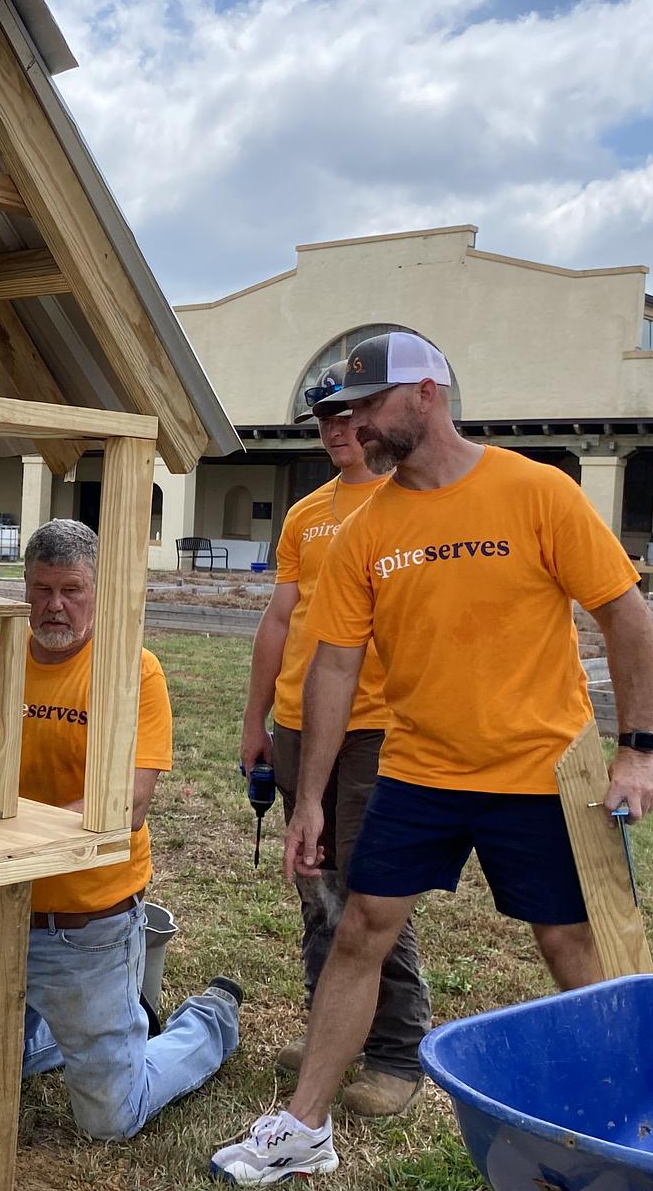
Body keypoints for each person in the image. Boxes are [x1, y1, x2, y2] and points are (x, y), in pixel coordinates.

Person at [212, 332, 653, 1183]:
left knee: (570, 941)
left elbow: (624, 614)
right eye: (345, 413)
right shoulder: (364, 530)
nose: (357, 427)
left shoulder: (538, 492)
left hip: (540, 771)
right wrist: (308, 800)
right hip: (419, 771)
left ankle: (627, 1123)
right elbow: (335, 668)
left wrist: (637, 750)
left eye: (369, 408)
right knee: (360, 931)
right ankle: (305, 1129)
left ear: (427, 394)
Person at [0, 518, 242, 1141]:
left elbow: (129, 802)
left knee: (109, 1121)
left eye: (71, 589)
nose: (54, 605)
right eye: (41, 589)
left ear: (99, 591)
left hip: (88, 927)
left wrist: (9, 843)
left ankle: (209, 1020)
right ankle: (80, 1032)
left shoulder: (133, 671)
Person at [239, 361, 429, 1117]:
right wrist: (255, 720)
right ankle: (331, 1031)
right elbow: (279, 622)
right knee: (314, 880)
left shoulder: (405, 503)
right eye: (324, 419)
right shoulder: (307, 514)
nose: (337, 429)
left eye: (350, 415)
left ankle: (394, 1054)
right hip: (296, 723)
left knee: (371, 892)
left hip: (376, 727)